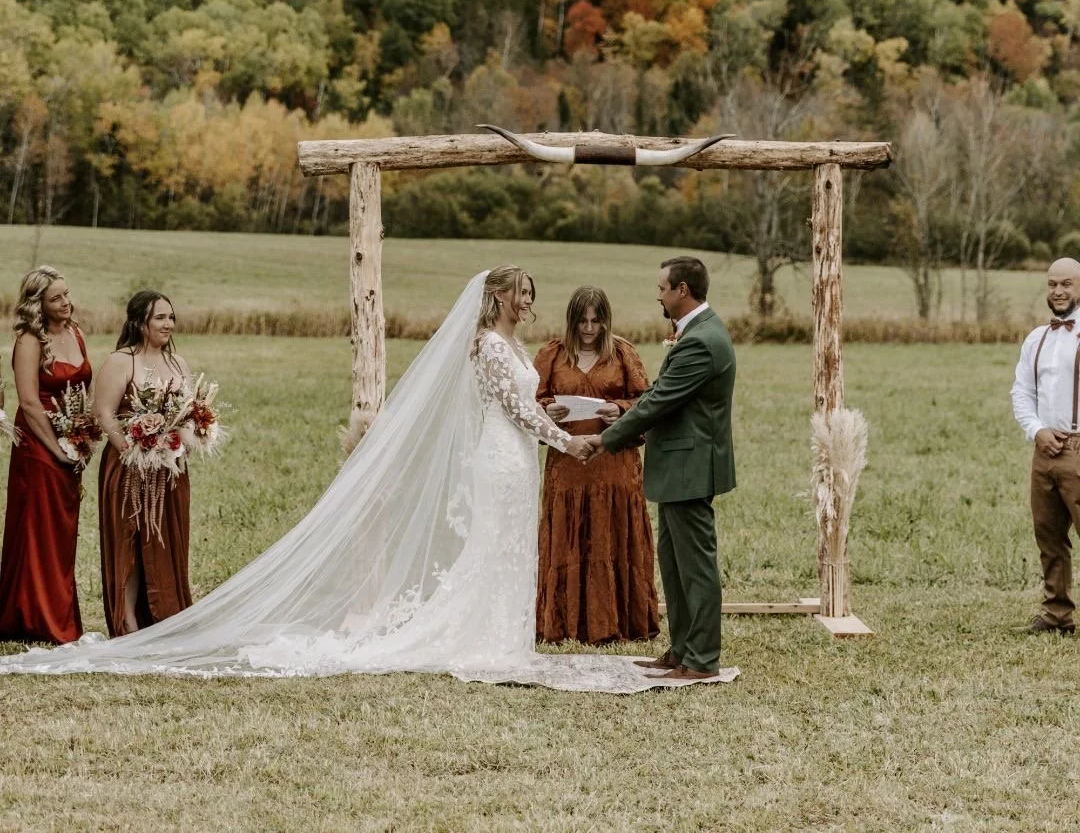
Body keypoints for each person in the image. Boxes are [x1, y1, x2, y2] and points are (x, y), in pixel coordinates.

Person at [0, 267, 721, 691]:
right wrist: (570, 438)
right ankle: (488, 639)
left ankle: (503, 635)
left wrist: (560, 427)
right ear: (499, 300)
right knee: (497, 547)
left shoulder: (505, 343)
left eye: (532, 294)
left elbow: (522, 405)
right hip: (507, 455)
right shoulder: (492, 346)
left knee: (504, 549)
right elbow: (521, 412)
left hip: (512, 456)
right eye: (523, 294)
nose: (531, 302)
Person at [583, 255, 736, 681]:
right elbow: (662, 398)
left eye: (662, 289)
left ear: (682, 290)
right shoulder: (695, 333)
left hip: (690, 466)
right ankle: (683, 649)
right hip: (678, 466)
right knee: (674, 564)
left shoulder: (702, 341)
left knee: (696, 567)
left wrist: (606, 439)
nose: (659, 296)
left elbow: (661, 399)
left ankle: (702, 659)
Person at [534, 286, 659, 643]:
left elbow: (647, 401)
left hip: (614, 464)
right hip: (568, 464)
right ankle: (564, 623)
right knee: (569, 535)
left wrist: (618, 410)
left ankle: (619, 622)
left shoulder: (623, 353)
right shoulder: (551, 355)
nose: (589, 328)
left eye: (596, 320)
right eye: (582, 321)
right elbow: (529, 403)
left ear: (606, 320)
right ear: (572, 320)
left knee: (612, 533)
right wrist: (548, 411)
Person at [0, 266, 92, 644]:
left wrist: (83, 436)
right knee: (36, 529)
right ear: (38, 303)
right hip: (38, 447)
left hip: (72, 443)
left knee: (63, 531)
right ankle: (29, 616)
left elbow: (85, 388)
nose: (66, 302)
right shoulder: (29, 340)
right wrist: (56, 449)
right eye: (56, 298)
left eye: (67, 294)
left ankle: (56, 612)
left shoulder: (76, 333)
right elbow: (28, 402)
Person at [95, 291, 194, 636]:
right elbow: (105, 414)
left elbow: (187, 414)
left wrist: (187, 440)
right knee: (130, 543)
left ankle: (166, 616)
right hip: (127, 468)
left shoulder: (178, 364)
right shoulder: (121, 361)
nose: (168, 324)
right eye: (160, 318)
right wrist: (131, 448)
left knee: (166, 541)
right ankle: (128, 622)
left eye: (171, 317)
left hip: (170, 469)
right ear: (139, 322)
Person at [1011, 256, 1080, 635]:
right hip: (1044, 451)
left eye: (1067, 284)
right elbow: (1021, 390)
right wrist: (1036, 430)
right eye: (1053, 284)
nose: (1058, 291)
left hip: (1079, 448)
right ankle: (1057, 616)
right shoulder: (1037, 338)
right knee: (1049, 537)